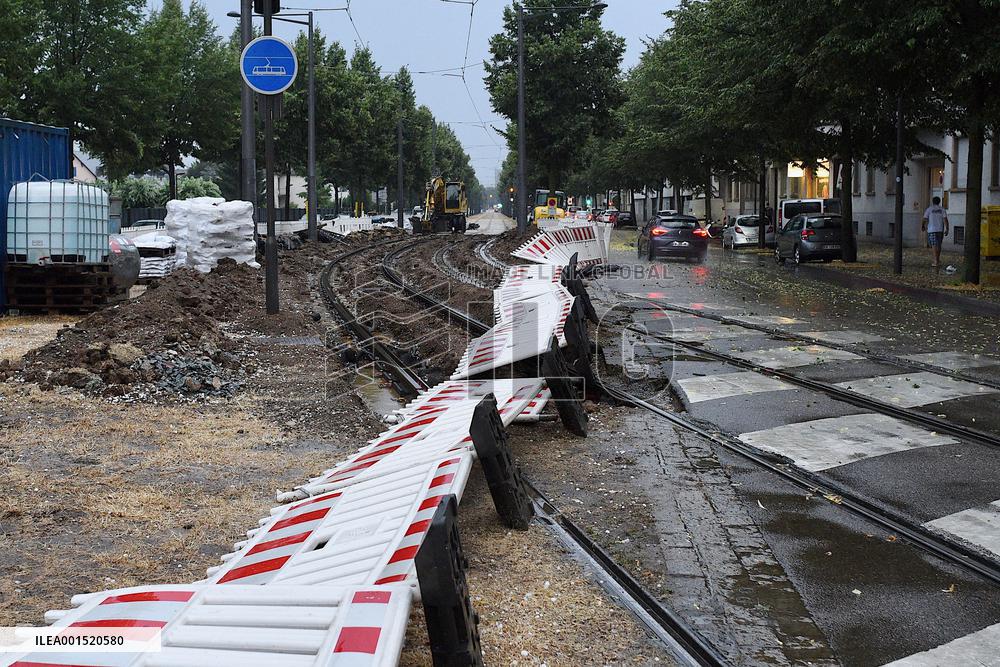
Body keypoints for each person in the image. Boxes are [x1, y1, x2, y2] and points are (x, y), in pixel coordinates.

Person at [922, 196, 949, 267]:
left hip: (931, 230)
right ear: (939, 201)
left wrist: (923, 226)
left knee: (934, 245)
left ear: (933, 201)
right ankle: (938, 259)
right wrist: (947, 229)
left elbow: (924, 218)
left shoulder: (929, 209)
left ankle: (935, 261)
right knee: (939, 245)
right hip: (940, 230)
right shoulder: (942, 209)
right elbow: (945, 219)